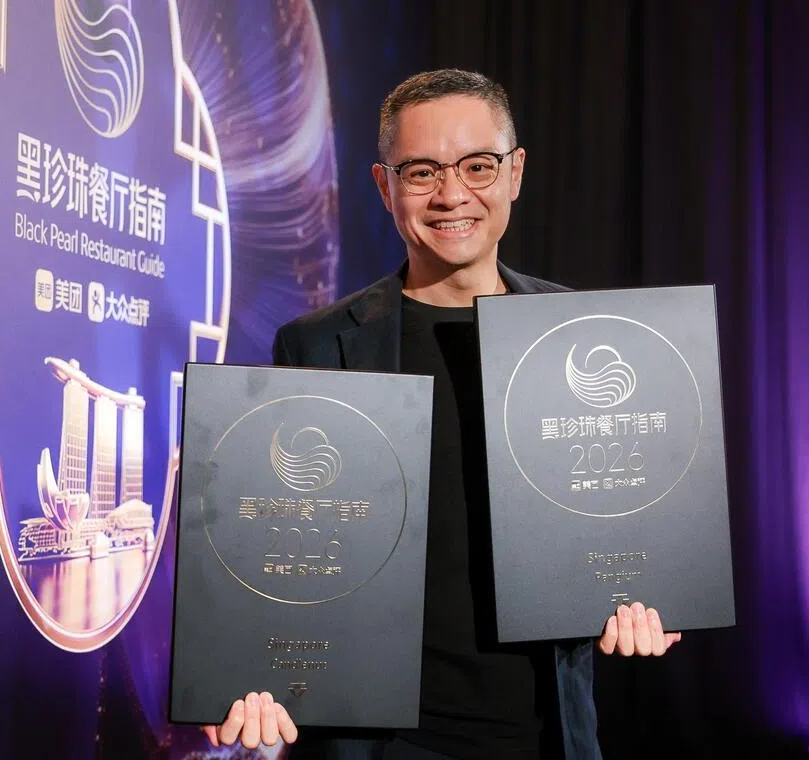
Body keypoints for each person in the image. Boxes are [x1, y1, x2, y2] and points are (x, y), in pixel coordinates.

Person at [202, 68, 681, 759]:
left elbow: (629, 530)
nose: (453, 193)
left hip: (542, 736)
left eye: (478, 166)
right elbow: (276, 542)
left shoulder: (581, 337)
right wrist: (245, 674)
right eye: (421, 172)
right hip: (377, 739)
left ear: (515, 173)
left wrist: (650, 596)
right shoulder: (317, 343)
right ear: (383, 186)